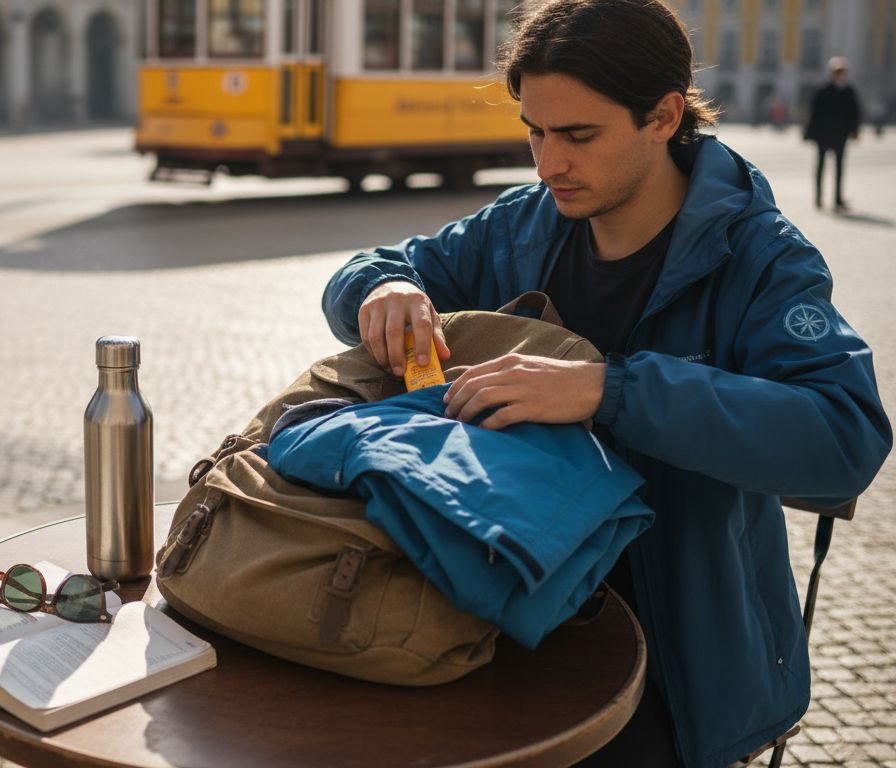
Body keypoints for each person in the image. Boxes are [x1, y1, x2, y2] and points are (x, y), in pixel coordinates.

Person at [321, 1, 891, 766]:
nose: (547, 162)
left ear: (663, 116)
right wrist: (380, 288)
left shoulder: (762, 258)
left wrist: (608, 390)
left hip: (675, 672)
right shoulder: (523, 225)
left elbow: (844, 438)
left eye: (578, 136)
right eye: (534, 130)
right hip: (496, 632)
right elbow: (374, 267)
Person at [804, 57, 862, 210]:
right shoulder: (823, 90)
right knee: (821, 166)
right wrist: (809, 133)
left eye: (843, 72)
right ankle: (818, 198)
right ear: (833, 73)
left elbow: (855, 113)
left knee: (839, 168)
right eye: (838, 72)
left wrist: (854, 131)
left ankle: (837, 199)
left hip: (840, 136)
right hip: (823, 136)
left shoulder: (849, 91)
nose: (841, 75)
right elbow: (814, 113)